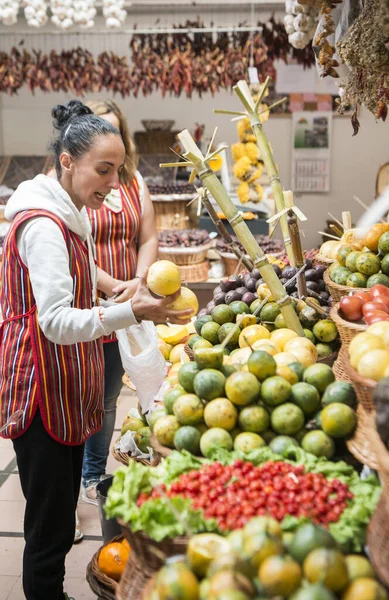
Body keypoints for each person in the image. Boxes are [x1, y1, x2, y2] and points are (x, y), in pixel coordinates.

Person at [0, 99, 190, 600]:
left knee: (60, 515)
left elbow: (82, 264)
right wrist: (136, 313)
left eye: (118, 170)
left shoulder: (69, 210)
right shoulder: (43, 224)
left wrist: (119, 288)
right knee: (49, 527)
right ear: (67, 160)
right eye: (103, 170)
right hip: (42, 382)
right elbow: (57, 321)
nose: (113, 183)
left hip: (65, 375)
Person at [79, 99, 159, 505]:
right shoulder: (66, 182)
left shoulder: (133, 181)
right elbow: (70, 248)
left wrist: (138, 282)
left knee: (109, 395)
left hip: (124, 304)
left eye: (113, 131)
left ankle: (92, 476)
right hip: (83, 302)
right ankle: (65, 482)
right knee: (77, 396)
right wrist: (111, 286)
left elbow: (147, 238)